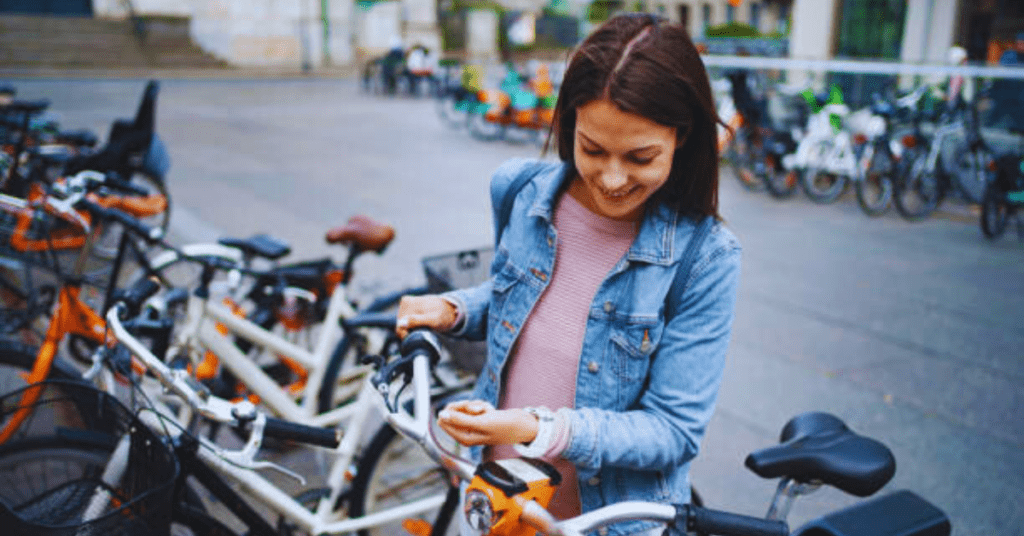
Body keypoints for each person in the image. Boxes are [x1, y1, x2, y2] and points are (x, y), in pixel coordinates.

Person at [396, 13, 741, 535]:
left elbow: (672, 431)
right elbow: (525, 298)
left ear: (683, 137)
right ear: (568, 124)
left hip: (607, 522)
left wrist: (540, 429)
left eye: (641, 157)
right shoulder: (522, 191)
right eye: (592, 149)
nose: (613, 178)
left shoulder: (707, 257)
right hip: (496, 503)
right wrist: (456, 309)